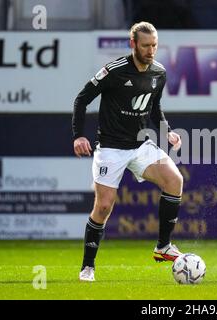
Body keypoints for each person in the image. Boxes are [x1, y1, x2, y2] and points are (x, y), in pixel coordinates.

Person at [72, 22, 184, 282]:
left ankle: (163, 247)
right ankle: (88, 266)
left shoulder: (159, 73)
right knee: (103, 207)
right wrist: (78, 135)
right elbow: (82, 99)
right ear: (133, 44)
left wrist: (166, 131)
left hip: (140, 145)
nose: (151, 50)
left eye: (154, 45)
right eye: (145, 45)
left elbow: (154, 107)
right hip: (111, 148)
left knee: (175, 181)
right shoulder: (114, 71)